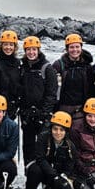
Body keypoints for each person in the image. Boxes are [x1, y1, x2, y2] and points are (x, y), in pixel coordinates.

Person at [23, 111, 77, 189]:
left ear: (66, 131)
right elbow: (40, 159)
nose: (58, 133)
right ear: (51, 129)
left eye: (61, 130)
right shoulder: (43, 137)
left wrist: (62, 178)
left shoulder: (70, 146)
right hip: (43, 170)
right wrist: (54, 176)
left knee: (65, 186)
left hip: (57, 171)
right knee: (35, 170)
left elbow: (70, 164)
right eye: (55, 129)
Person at [19, 36, 58, 164]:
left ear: (38, 50)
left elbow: (52, 94)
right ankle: (29, 174)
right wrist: (23, 110)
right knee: (28, 147)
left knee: (43, 147)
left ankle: (45, 178)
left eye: (34, 49)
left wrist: (44, 113)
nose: (31, 52)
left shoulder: (47, 68)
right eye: (28, 49)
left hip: (43, 116)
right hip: (27, 115)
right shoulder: (22, 68)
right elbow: (20, 91)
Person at [53, 33, 94, 122]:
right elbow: (51, 89)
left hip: (81, 110)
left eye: (77, 47)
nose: (74, 50)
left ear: (81, 48)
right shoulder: (58, 65)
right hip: (62, 108)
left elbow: (92, 89)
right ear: (67, 49)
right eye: (71, 47)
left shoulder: (87, 67)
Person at [0, 30, 22, 120]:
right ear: (1, 46)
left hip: (12, 106)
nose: (8, 47)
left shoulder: (18, 63)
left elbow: (19, 85)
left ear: (15, 47)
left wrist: (17, 103)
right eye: (5, 44)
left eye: (11, 45)